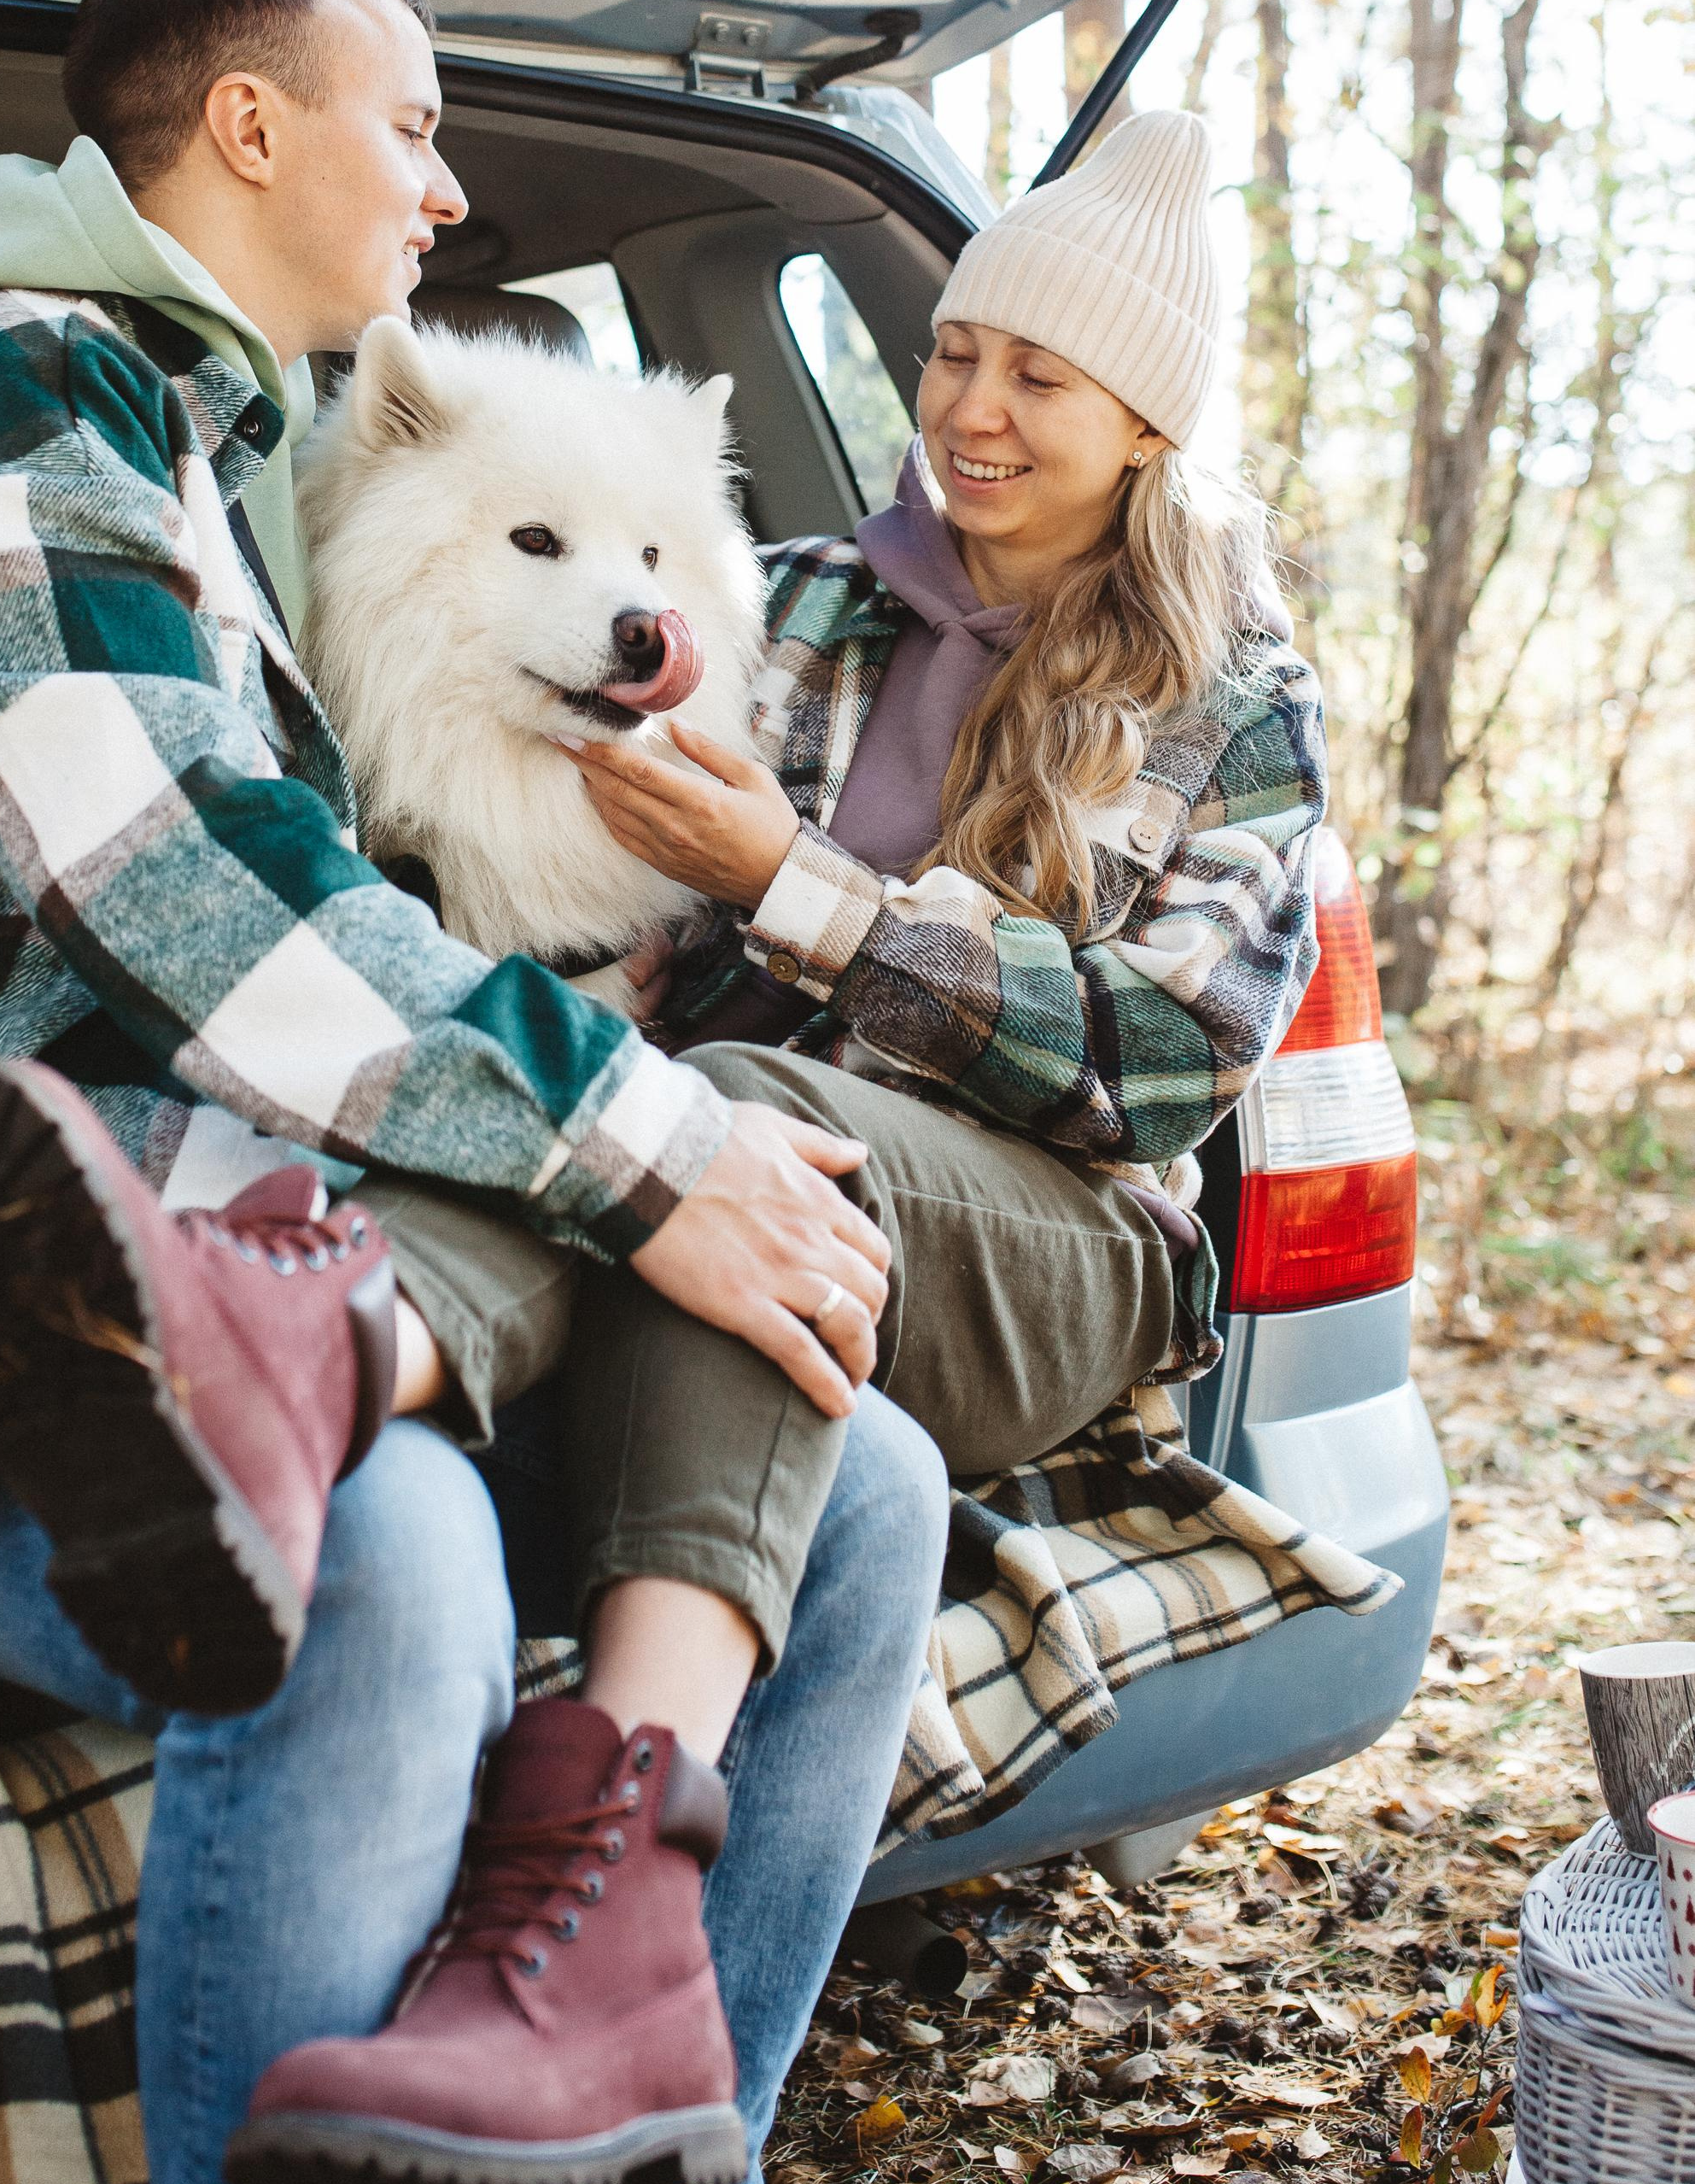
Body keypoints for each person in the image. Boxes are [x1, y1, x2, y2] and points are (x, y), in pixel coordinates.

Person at [0, 0, 948, 2184]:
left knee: (861, 1489)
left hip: (225, 1242)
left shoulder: (222, 448)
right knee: (381, 1564)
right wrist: (653, 1146)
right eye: (413, 121)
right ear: (246, 122)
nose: (446, 187)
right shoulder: (3, 396)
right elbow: (192, 885)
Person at [560, 108, 1330, 1493]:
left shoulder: (1235, 703)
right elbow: (600, 877)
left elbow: (1156, 1068)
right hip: (707, 1163)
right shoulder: (784, 593)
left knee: (732, 1119)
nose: (971, 408)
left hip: (1052, 1245)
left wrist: (791, 889)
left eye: (1039, 378)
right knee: (620, 1109)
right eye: (956, 354)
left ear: (1145, 428)